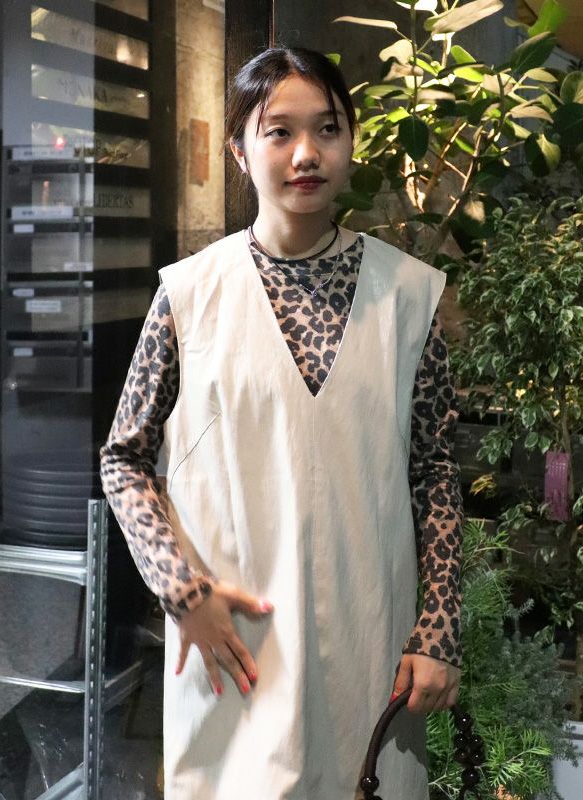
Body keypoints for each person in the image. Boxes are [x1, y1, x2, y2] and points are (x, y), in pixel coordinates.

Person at [100, 46, 463, 800]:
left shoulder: (409, 296)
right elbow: (124, 459)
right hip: (233, 646)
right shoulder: (190, 295)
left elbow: (435, 472)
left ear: (350, 140)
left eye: (328, 129)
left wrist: (438, 632)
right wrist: (181, 590)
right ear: (240, 150)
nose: (307, 153)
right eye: (279, 132)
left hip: (369, 636)